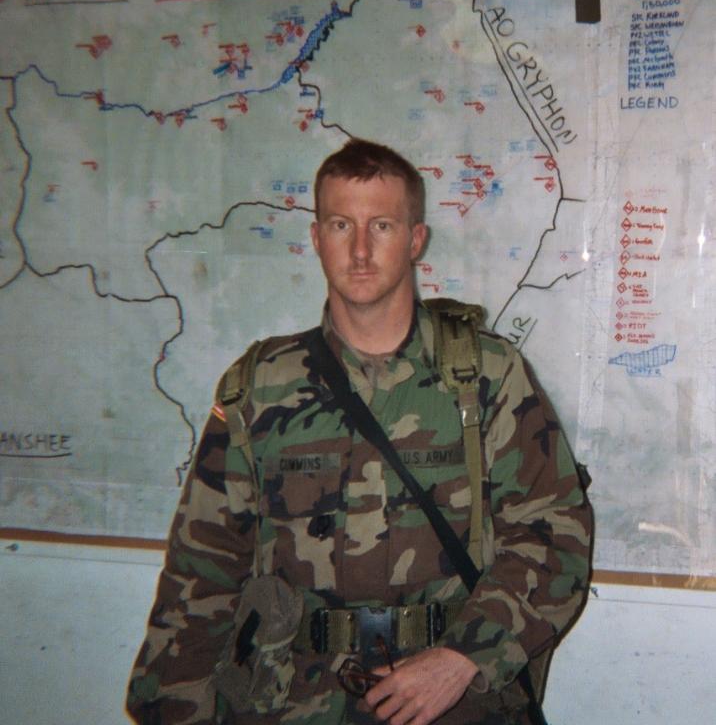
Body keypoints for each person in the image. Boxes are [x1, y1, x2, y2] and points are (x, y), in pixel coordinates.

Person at [127, 138, 593, 725]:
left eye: (383, 226)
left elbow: (555, 535)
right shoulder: (260, 386)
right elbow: (203, 568)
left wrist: (462, 659)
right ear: (316, 237)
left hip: (449, 702)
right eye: (341, 225)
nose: (361, 250)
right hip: (292, 701)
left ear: (416, 240)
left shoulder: (486, 376)